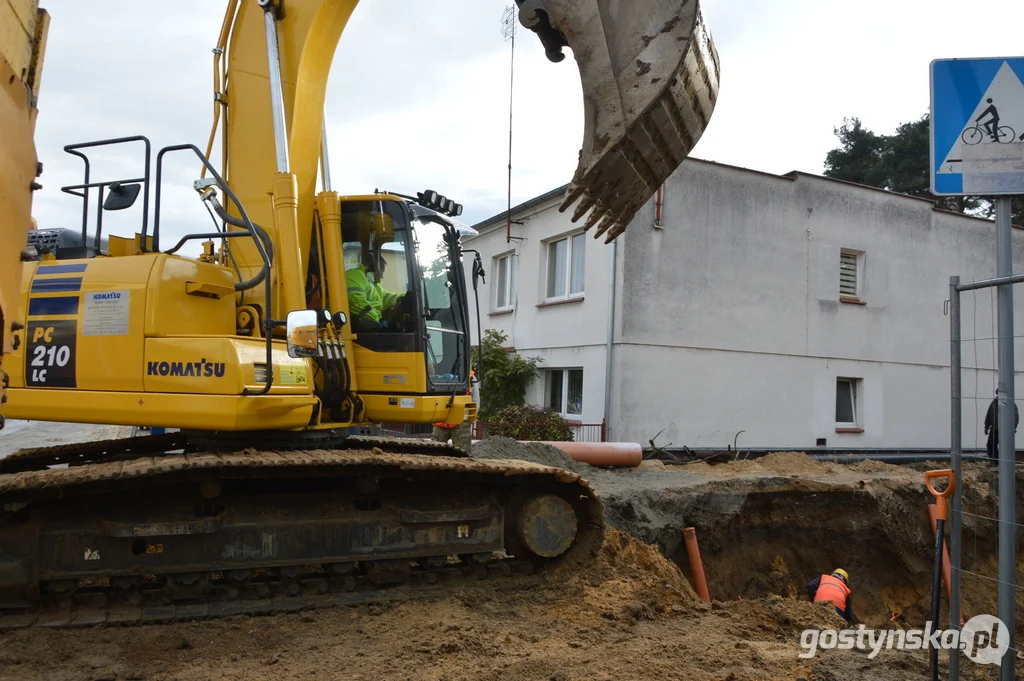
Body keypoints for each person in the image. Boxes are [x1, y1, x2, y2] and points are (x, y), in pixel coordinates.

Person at [345, 247, 404, 331]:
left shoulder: (375, 285)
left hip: (372, 323)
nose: (381, 277)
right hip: (361, 326)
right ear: (374, 267)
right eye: (381, 272)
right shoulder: (355, 275)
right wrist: (376, 320)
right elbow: (355, 301)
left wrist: (405, 297)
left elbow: (386, 298)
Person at [984, 395, 1019, 467]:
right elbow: (989, 414)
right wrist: (986, 426)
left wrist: (1012, 428)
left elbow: (1015, 417)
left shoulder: (1010, 403)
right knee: (991, 445)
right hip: (994, 429)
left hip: (1006, 430)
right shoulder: (994, 403)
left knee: (1006, 446)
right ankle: (995, 462)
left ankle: (1006, 464)